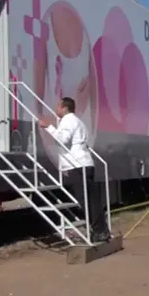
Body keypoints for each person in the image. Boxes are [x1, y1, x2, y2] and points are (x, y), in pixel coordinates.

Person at [39, 97, 111, 243]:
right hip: (85, 163)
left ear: (64, 107)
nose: (56, 109)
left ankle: (99, 231)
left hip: (78, 166)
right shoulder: (78, 121)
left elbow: (63, 139)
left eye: (58, 106)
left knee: (86, 202)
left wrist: (48, 127)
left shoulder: (68, 120)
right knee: (92, 200)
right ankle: (101, 230)